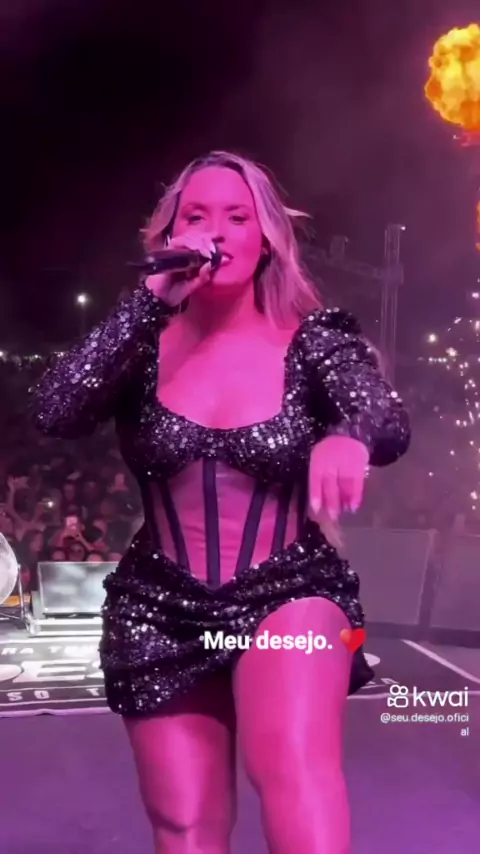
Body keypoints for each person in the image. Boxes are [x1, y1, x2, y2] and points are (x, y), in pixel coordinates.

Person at [31, 150, 410, 854]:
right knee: (184, 823)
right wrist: (150, 301)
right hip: (159, 603)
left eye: (237, 217)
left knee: (292, 768)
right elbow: (56, 410)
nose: (217, 232)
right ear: (169, 235)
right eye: (197, 216)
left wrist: (347, 436)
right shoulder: (142, 349)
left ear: (266, 237)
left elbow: (382, 415)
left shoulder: (315, 341)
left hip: (289, 590)